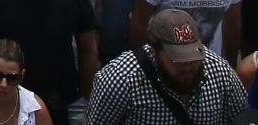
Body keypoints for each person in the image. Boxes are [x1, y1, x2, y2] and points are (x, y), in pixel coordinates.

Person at [86, 9, 247, 125]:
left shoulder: (220, 71)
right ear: (156, 50)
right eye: (179, 58)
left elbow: (242, 117)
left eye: (193, 55)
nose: (188, 65)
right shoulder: (119, 79)